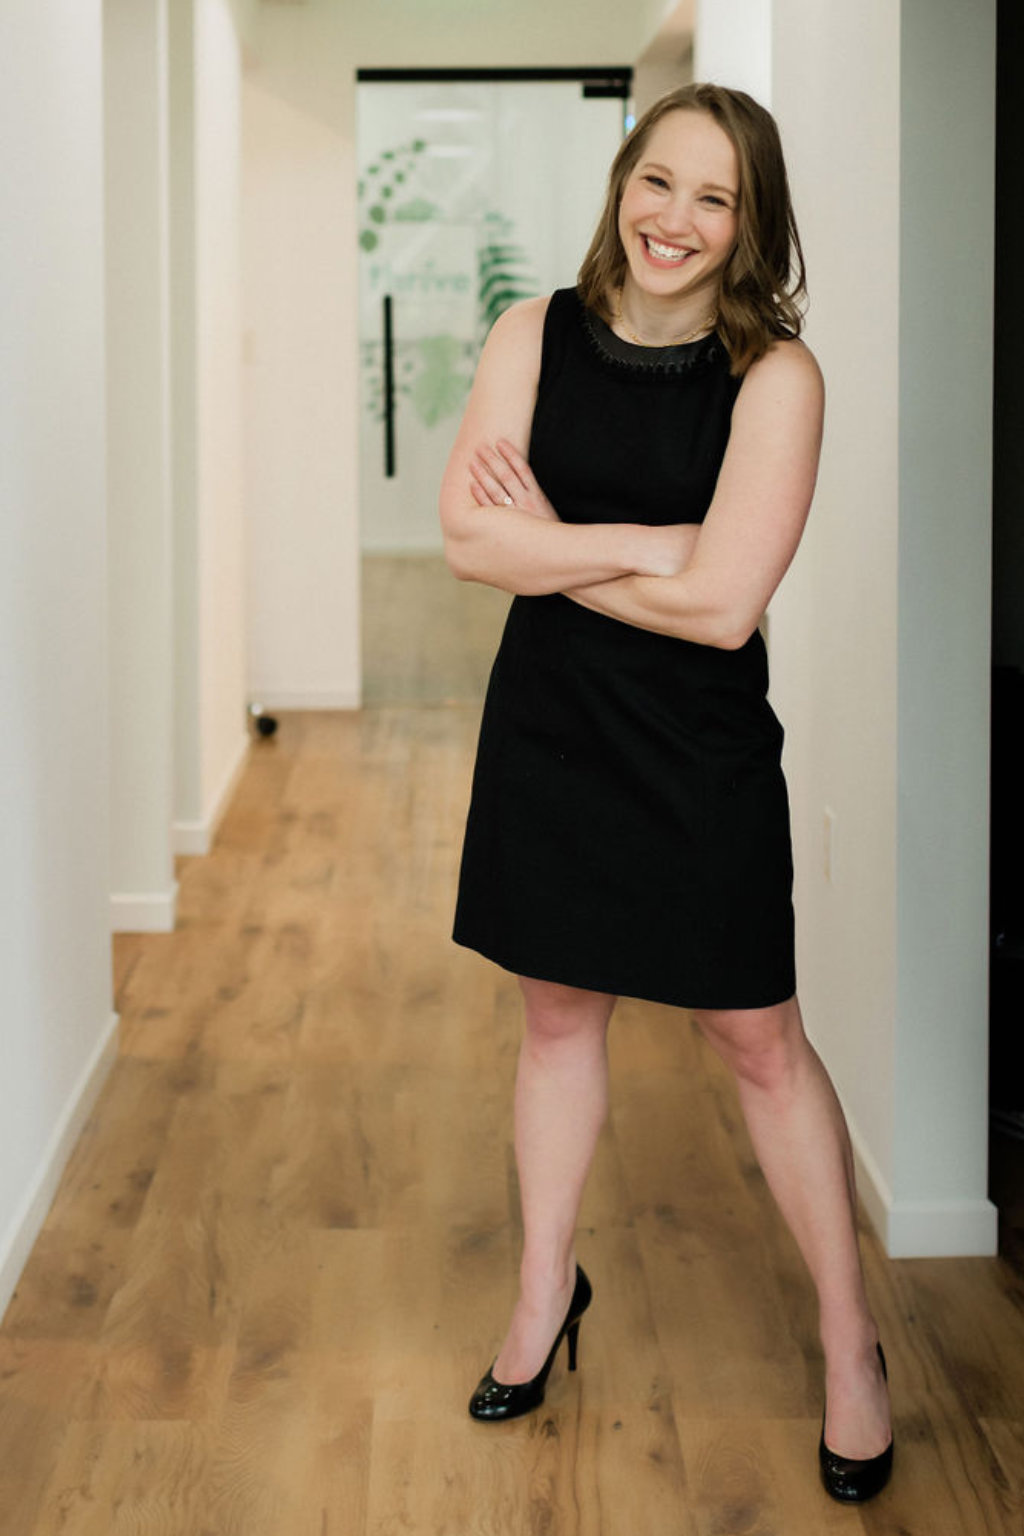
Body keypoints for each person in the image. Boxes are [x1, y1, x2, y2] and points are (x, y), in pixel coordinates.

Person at [439, 83, 893, 1504]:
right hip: (552, 735)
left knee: (758, 1043)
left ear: (752, 226)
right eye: (658, 180)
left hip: (695, 757)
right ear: (622, 180)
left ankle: (849, 1346)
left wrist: (553, 547)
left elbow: (724, 612)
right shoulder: (533, 333)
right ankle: (540, 1298)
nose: (674, 220)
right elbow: (464, 542)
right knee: (557, 1015)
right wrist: (639, 540)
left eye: (716, 198)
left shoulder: (776, 378)